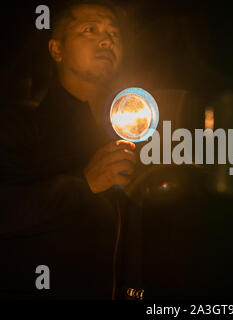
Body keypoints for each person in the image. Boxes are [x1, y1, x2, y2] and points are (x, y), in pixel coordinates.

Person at [0, 0, 141, 299]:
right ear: (57, 50)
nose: (107, 39)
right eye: (90, 29)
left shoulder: (131, 128)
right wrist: (84, 183)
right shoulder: (18, 125)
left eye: (114, 34)